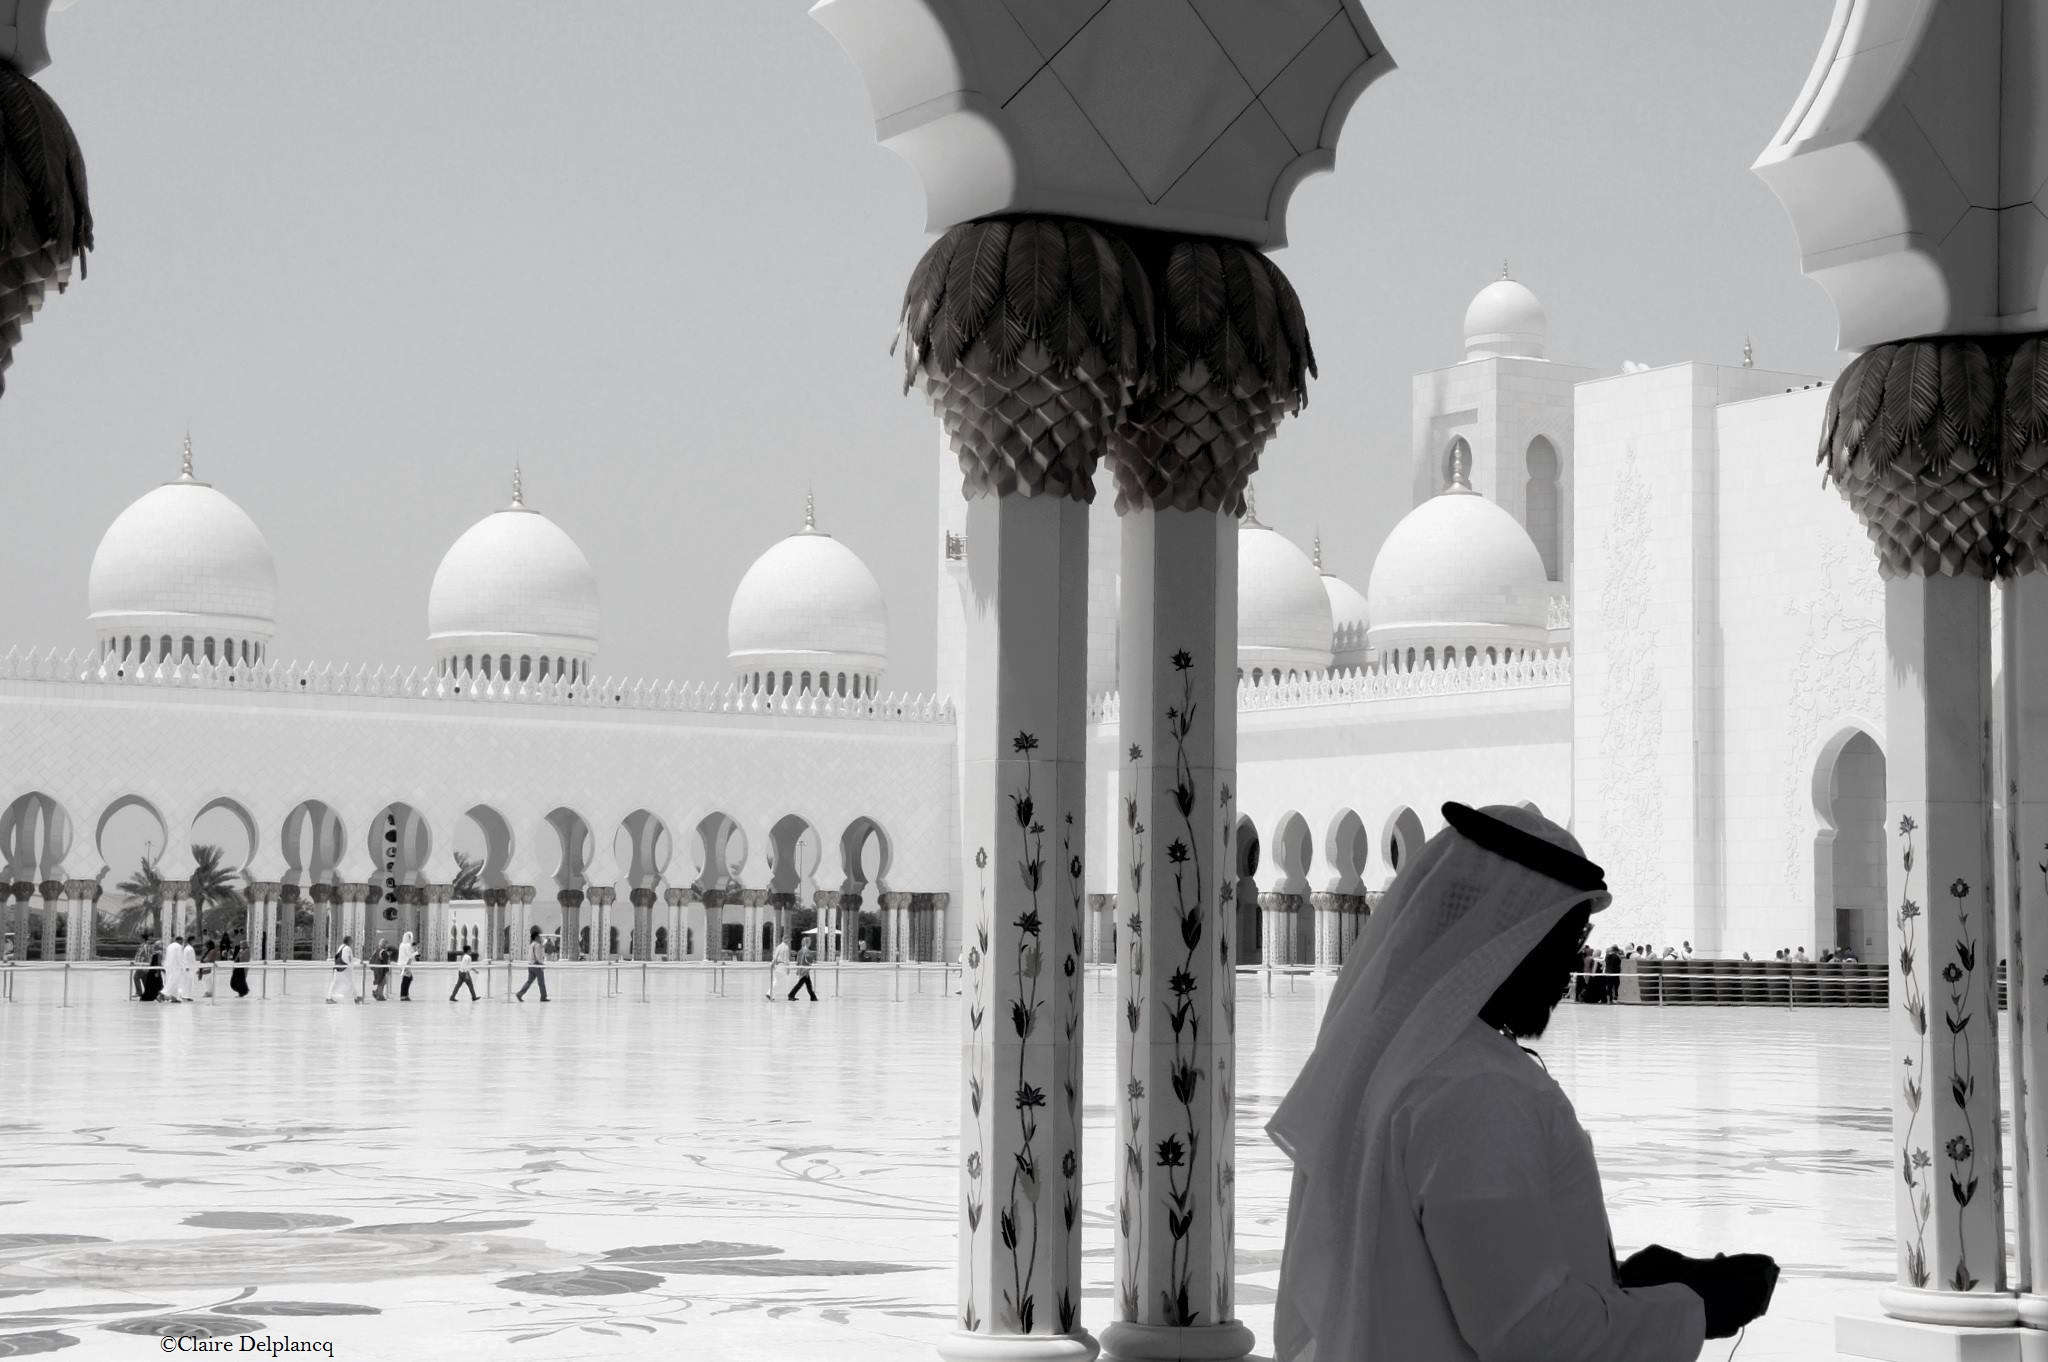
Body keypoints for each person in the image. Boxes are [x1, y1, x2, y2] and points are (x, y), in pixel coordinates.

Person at [1267, 802, 1776, 1362]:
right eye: (1565, 938)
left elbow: (1454, 1268)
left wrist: (1619, 1279)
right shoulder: (1478, 1090)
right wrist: (1701, 1307)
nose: (1569, 969)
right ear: (1510, 937)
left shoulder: (1403, 1065)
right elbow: (1532, 1333)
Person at [515, 925, 549, 1001]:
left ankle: (520, 994)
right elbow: (538, 956)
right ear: (536, 937)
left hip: (530, 965)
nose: (540, 938)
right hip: (537, 965)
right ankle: (543, 997)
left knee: (529, 981)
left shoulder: (532, 944)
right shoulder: (537, 945)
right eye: (539, 937)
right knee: (541, 982)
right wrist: (542, 964)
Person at [327, 934, 360, 1003]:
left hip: (339, 968)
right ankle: (329, 998)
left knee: (338, 983)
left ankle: (355, 997)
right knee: (348, 983)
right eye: (351, 940)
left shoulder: (341, 947)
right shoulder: (347, 948)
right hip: (344, 969)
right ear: (349, 941)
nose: (352, 942)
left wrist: (356, 961)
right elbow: (345, 959)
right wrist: (351, 964)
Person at [788, 937, 818, 1002]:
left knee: (808, 984)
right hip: (804, 970)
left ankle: (813, 997)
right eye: (809, 942)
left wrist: (798, 969)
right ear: (807, 943)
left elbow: (798, 961)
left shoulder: (801, 951)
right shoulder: (806, 951)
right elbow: (806, 960)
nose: (810, 943)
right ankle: (791, 995)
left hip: (803, 969)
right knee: (801, 984)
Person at [768, 931, 790, 1000]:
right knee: (785, 981)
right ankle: (770, 993)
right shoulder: (786, 947)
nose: (789, 941)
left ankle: (770, 994)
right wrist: (788, 968)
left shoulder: (778, 946)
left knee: (776, 981)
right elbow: (786, 959)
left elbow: (775, 957)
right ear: (785, 939)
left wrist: (773, 964)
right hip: (782, 966)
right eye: (788, 939)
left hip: (778, 966)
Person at [397, 931, 417, 1001]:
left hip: (402, 964)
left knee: (407, 978)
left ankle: (404, 995)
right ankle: (403, 995)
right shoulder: (407, 945)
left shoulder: (402, 944)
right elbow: (410, 955)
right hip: (405, 964)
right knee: (407, 979)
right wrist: (416, 953)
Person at [229, 933, 249, 998]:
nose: (240, 945)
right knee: (235, 981)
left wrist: (240, 953)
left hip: (241, 969)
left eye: (242, 944)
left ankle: (242, 992)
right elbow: (237, 958)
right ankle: (242, 992)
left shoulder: (246, 951)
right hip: (237, 969)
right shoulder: (241, 950)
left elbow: (244, 960)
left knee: (240, 981)